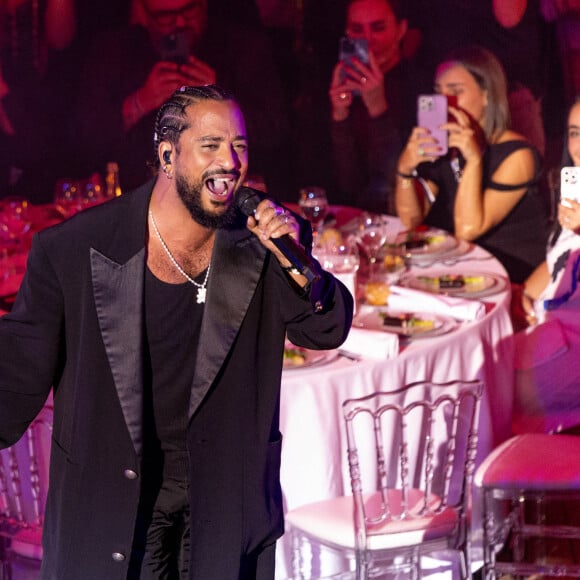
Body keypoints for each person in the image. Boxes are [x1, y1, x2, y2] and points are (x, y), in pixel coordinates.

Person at [0, 85, 353, 578]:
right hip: (112, 523)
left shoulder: (263, 243)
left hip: (225, 521)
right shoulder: (74, 250)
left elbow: (326, 329)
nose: (230, 161)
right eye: (211, 145)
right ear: (167, 155)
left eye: (240, 146)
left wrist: (300, 265)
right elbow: (14, 382)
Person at [72, 0, 291, 198]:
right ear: (146, 14)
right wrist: (139, 103)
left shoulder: (243, 48)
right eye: (166, 16)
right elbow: (88, 141)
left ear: (204, 5)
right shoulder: (114, 52)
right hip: (136, 202)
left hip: (224, 203)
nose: (180, 23)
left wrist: (221, 103)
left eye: (189, 10)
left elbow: (275, 132)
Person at [395, 45, 549, 284]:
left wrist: (474, 159)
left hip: (514, 272)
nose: (445, 103)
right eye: (439, 93)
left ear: (487, 95)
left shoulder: (518, 154)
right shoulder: (445, 146)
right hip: (464, 268)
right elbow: (412, 220)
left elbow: (468, 229)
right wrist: (405, 170)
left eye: (455, 92)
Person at [512, 98, 580, 434]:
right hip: (552, 325)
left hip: (574, 340)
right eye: (575, 133)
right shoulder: (576, 191)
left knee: (493, 384)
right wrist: (521, 296)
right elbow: (556, 261)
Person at [327, 0, 428, 214]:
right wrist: (340, 117)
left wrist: (378, 110)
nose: (367, 39)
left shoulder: (422, 87)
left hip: (402, 216)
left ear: (401, 30)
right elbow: (347, 184)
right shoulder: (336, 84)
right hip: (353, 217)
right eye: (357, 29)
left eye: (378, 28)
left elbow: (399, 181)